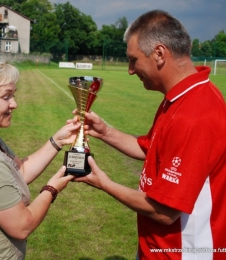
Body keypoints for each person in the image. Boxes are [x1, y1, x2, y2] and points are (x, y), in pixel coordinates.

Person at [74, 10, 226, 260]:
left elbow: (165, 212)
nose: (130, 70)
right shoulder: (179, 98)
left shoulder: (196, 113)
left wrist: (104, 183)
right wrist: (105, 132)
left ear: (159, 53)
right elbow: (150, 150)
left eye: (133, 60)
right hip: (156, 249)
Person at [0, 60, 80, 259]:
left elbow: (20, 172)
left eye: (13, 95)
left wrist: (58, 140)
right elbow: (22, 225)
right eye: (6, 97)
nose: (14, 104)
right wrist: (52, 188)